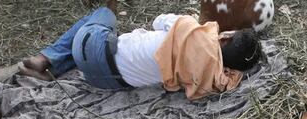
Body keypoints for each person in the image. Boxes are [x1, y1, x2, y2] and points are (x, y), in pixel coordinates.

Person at [19, 7, 262, 97]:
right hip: (107, 83)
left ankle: (46, 58)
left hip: (95, 49)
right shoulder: (212, 80)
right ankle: (55, 68)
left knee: (104, 14)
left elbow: (158, 20)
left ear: (226, 36)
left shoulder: (190, 30)